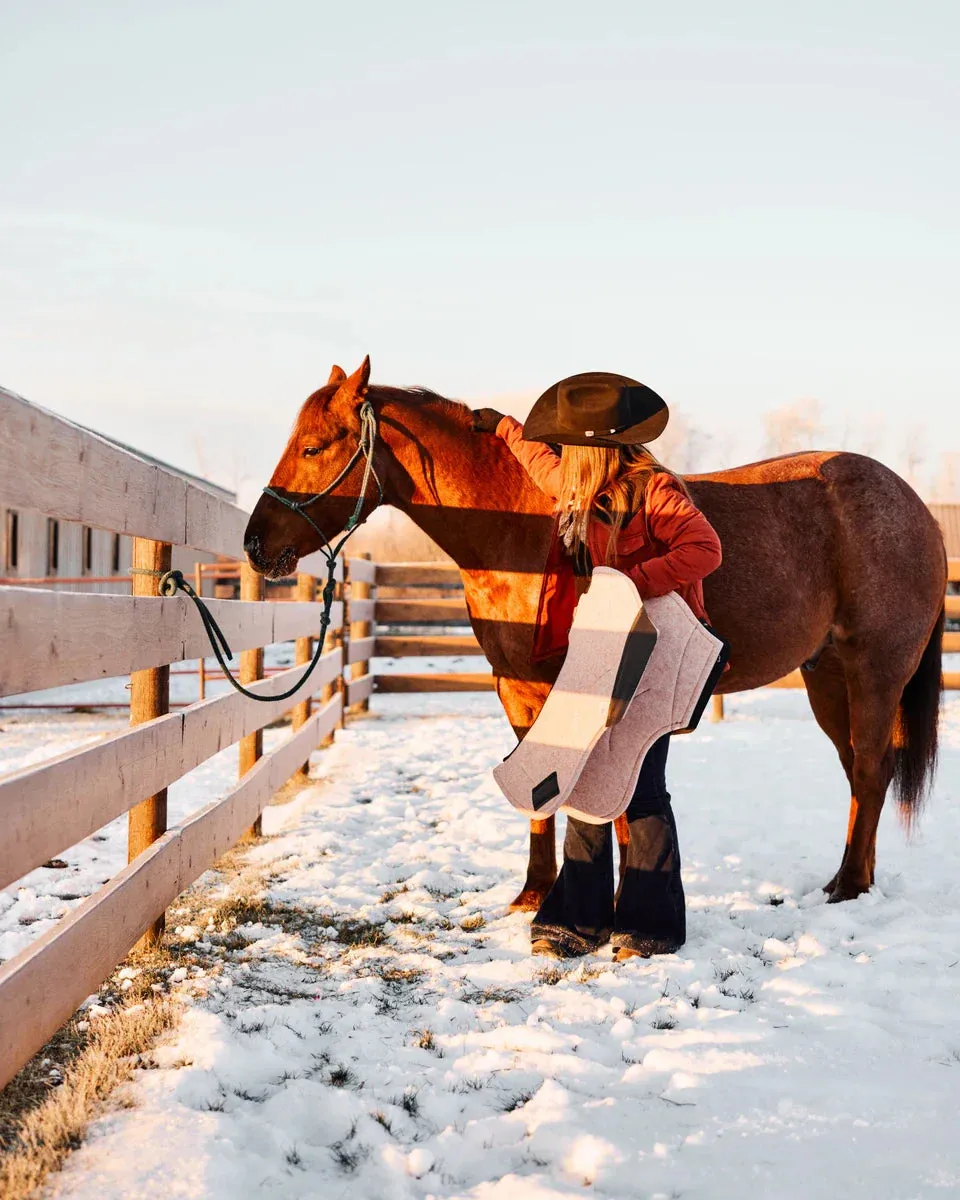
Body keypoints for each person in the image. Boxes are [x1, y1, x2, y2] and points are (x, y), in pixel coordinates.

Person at [472, 372, 723, 961]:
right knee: (581, 775)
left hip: (654, 649)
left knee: (642, 785)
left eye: (568, 442)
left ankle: (650, 925)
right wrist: (503, 428)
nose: (558, 451)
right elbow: (537, 462)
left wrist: (629, 582)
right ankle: (578, 919)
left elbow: (705, 549)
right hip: (599, 646)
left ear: (593, 448)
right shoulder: (576, 484)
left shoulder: (655, 491)